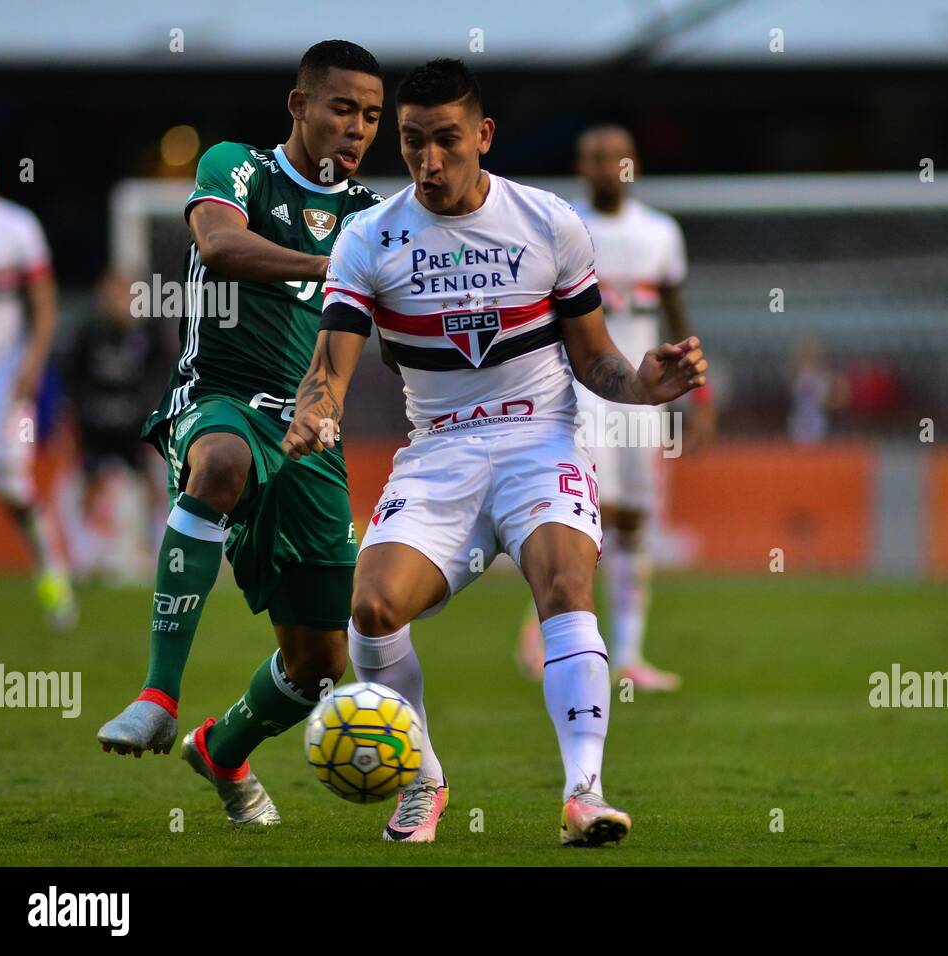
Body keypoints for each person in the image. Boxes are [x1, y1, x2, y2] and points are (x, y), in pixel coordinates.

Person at [282, 59, 707, 846]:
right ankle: (425, 782)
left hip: (539, 443)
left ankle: (584, 793)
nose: (428, 161)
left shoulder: (548, 223)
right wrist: (317, 414)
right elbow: (328, 369)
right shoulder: (368, 239)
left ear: (483, 135)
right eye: (412, 143)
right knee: (371, 612)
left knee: (564, 583)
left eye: (446, 140)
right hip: (437, 453)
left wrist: (646, 385)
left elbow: (595, 359)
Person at [96, 41, 385, 829]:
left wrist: (324, 405)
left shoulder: (371, 216)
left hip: (308, 428)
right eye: (341, 108)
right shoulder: (238, 166)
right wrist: (334, 266)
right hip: (219, 398)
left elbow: (354, 337)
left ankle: (221, 747)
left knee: (322, 664)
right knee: (218, 461)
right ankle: (158, 695)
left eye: (371, 116)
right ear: (299, 105)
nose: (357, 128)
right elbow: (219, 246)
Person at [515, 124, 715, 691]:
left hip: (642, 396)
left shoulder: (660, 233)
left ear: (635, 164)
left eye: (616, 157)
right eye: (594, 158)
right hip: (581, 390)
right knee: (581, 514)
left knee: (634, 519)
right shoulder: (561, 228)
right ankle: (544, 631)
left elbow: (677, 314)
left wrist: (702, 394)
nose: (606, 167)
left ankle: (628, 654)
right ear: (581, 167)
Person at [0, 141, 76, 629]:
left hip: (4, 378)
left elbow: (43, 302)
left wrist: (34, 363)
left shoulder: (16, 227)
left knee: (12, 488)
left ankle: (53, 577)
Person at [65, 270, 168, 579]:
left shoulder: (149, 334)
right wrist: (79, 411)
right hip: (96, 425)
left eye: (124, 294)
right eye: (113, 293)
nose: (118, 301)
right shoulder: (89, 333)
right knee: (86, 487)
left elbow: (163, 375)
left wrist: (153, 415)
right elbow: (72, 375)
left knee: (150, 487)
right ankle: (82, 556)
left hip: (134, 427)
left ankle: (153, 553)